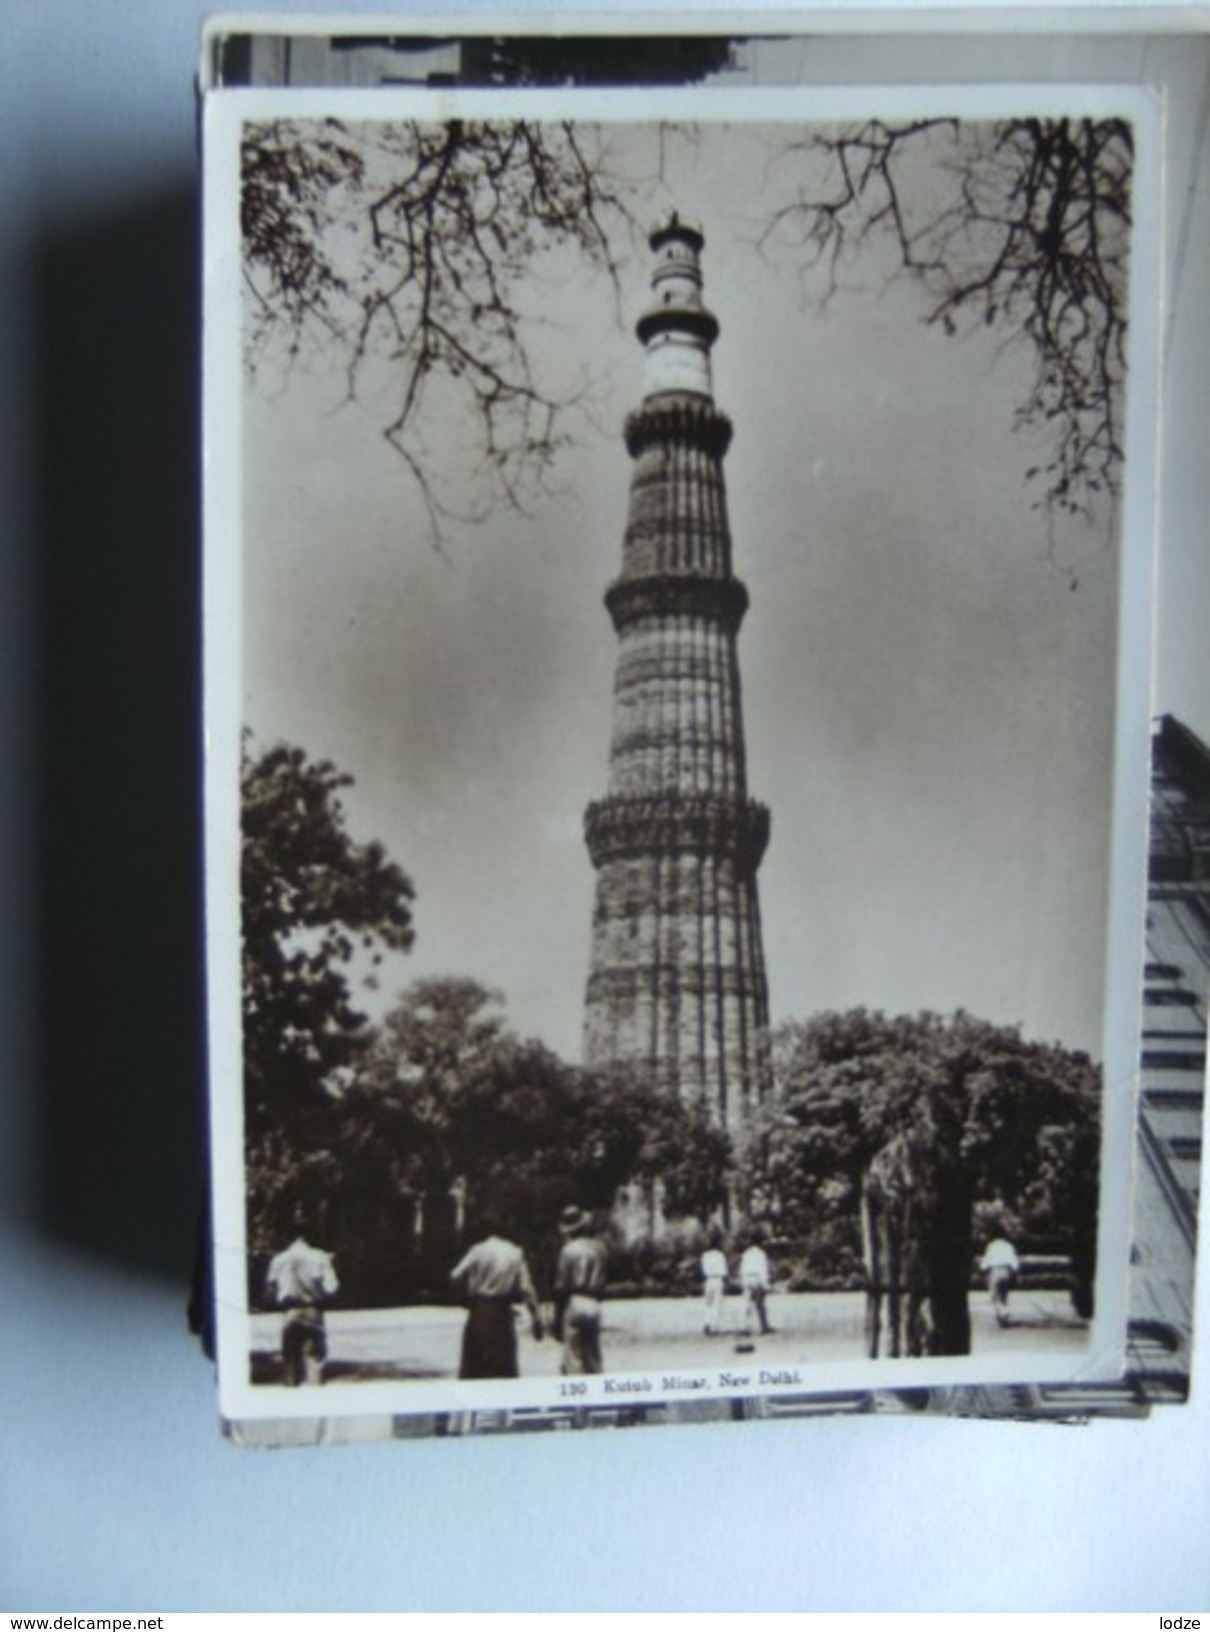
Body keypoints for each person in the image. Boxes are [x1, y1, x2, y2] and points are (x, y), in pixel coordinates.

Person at [450, 1216, 543, 1379]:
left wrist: (465, 1296)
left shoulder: (477, 1250)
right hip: (502, 1311)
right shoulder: (515, 1252)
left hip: (479, 1309)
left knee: (475, 1365)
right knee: (503, 1365)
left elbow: (455, 1275)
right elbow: (526, 1287)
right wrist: (536, 1316)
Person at [266, 1229, 339, 1386]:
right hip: (313, 1311)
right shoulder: (320, 1257)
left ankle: (291, 1401)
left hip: (289, 1313)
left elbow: (269, 1292)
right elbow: (332, 1288)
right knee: (314, 1361)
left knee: (290, 1363)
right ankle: (315, 1401)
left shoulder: (278, 1260)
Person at [553, 1205, 609, 1375]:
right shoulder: (600, 1249)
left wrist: (558, 1315)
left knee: (573, 1356)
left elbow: (562, 1285)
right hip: (593, 1301)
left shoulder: (568, 1251)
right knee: (592, 1354)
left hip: (575, 1299)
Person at [739, 1229, 774, 1337]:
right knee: (760, 1304)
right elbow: (762, 1269)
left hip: (748, 1278)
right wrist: (765, 1284)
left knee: (747, 1305)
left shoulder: (746, 1254)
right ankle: (763, 1326)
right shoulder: (761, 1254)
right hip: (757, 1279)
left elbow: (742, 1268)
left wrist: (743, 1282)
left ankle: (745, 1327)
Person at [980, 1235, 1021, 1327]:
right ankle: (1003, 1317)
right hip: (1007, 1271)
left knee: (994, 1296)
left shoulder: (992, 1246)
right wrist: (1016, 1272)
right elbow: (1014, 1261)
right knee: (1004, 1295)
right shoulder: (1009, 1246)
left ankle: (1003, 1312)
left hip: (996, 1271)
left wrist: (982, 1268)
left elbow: (987, 1260)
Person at [699, 1228, 729, 1335]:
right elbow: (724, 1271)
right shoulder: (720, 1255)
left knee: (708, 1303)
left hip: (708, 1280)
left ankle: (707, 1322)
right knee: (716, 1304)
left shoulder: (705, 1255)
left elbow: (703, 1270)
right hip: (717, 1279)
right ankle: (714, 1326)